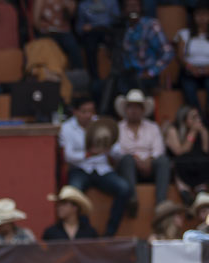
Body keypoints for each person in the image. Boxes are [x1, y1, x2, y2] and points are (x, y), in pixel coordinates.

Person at [61, 96, 131, 236]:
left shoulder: (102, 124)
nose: (88, 115)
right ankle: (86, 232)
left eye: (91, 111)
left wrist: (108, 149)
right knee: (74, 193)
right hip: (80, 169)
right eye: (84, 112)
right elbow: (68, 156)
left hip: (102, 169)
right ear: (75, 112)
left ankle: (110, 232)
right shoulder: (67, 127)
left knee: (124, 188)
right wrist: (89, 154)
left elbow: (118, 151)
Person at [104, 0, 173, 112]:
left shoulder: (151, 25)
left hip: (145, 75)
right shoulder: (122, 28)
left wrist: (152, 71)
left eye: (135, 6)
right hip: (125, 74)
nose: (133, 9)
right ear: (124, 10)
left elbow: (168, 52)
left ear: (141, 8)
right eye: (129, 6)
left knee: (133, 85)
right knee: (110, 83)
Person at [116, 89, 171, 211]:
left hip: (150, 165)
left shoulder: (153, 127)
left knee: (163, 161)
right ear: (125, 109)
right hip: (129, 167)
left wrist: (149, 160)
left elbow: (159, 149)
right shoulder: (118, 128)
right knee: (127, 160)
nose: (134, 110)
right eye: (130, 107)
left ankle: (161, 204)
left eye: (137, 107)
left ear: (143, 110)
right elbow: (118, 152)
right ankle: (132, 200)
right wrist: (136, 159)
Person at [165, 105, 209, 200]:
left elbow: (206, 149)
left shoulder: (200, 130)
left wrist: (204, 132)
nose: (198, 119)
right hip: (180, 165)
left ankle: (201, 190)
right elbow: (180, 151)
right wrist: (192, 132)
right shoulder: (173, 130)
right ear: (184, 119)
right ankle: (185, 194)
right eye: (193, 117)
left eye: (198, 116)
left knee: (204, 161)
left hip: (198, 164)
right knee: (182, 162)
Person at [178, 1, 209, 120]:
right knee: (189, 87)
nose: (202, 18)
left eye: (205, 14)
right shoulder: (184, 33)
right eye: (199, 14)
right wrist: (190, 67)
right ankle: (199, 118)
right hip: (190, 70)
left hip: (208, 71)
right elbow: (180, 56)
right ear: (193, 16)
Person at [33, 0, 81, 75]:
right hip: (47, 31)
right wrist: (42, 28)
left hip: (64, 31)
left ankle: (77, 75)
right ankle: (49, 75)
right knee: (47, 46)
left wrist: (70, 7)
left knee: (72, 46)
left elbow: (72, 16)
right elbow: (35, 21)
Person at [78, 0, 119, 83]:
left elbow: (117, 20)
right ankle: (94, 78)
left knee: (116, 45)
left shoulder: (111, 2)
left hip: (108, 30)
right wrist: (83, 28)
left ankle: (117, 76)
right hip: (92, 33)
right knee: (90, 46)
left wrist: (98, 24)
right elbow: (79, 27)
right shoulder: (83, 6)